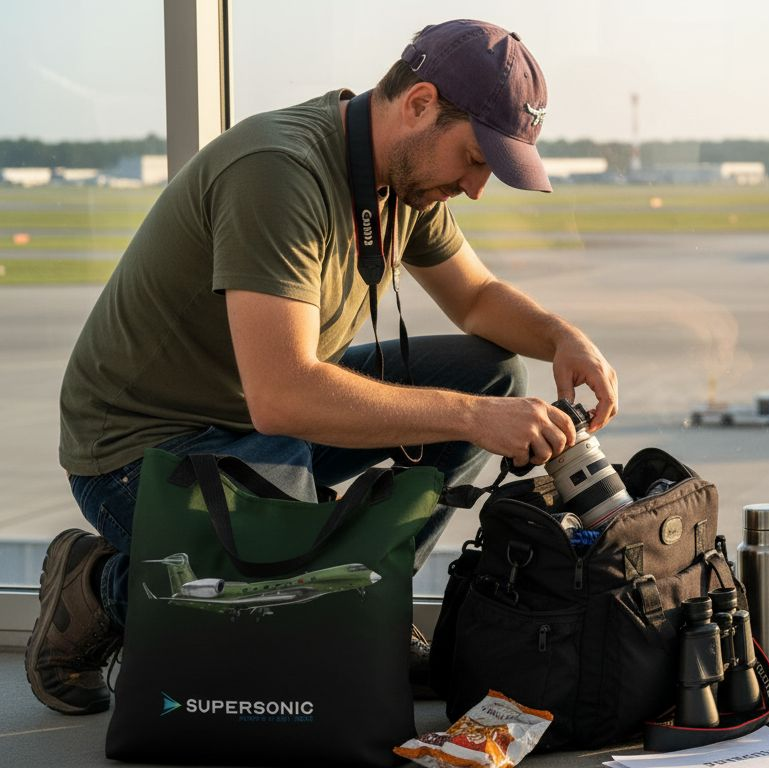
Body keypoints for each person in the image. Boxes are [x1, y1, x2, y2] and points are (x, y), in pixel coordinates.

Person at [27, 19, 617, 716]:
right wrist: (473, 419)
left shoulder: (402, 176)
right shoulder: (278, 172)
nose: (477, 187)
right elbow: (285, 395)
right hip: (146, 446)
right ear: (419, 103)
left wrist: (561, 337)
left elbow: (477, 298)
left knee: (490, 375)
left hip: (262, 416)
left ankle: (369, 598)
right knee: (292, 612)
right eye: (475, 159)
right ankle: (95, 584)